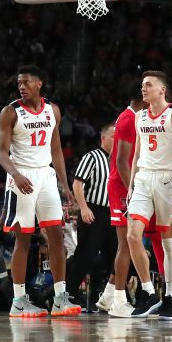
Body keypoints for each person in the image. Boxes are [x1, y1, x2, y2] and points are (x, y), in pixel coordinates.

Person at [0, 65, 81, 318]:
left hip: (46, 176)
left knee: (56, 235)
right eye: (19, 83)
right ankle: (19, 300)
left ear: (39, 83)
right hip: (21, 175)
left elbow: (56, 151)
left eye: (26, 82)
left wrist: (65, 186)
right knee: (23, 238)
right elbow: (2, 152)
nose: (21, 86)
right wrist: (16, 174)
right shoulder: (10, 112)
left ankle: (59, 298)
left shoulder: (53, 110)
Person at [126, 70, 172, 321]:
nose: (143, 89)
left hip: (168, 178)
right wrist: (132, 183)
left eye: (149, 85)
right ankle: (149, 291)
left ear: (162, 90)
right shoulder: (140, 116)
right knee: (133, 235)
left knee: (168, 241)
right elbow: (137, 153)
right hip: (144, 178)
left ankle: (171, 298)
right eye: (143, 85)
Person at [104, 82, 146, 318]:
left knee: (130, 243)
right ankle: (119, 299)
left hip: (120, 184)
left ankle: (109, 294)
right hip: (122, 186)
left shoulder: (126, 116)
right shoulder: (131, 119)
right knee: (126, 244)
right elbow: (120, 161)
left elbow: (115, 155)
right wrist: (133, 189)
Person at [66, 123, 117, 312]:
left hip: (114, 213)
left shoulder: (119, 160)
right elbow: (77, 184)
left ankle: (115, 297)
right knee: (85, 257)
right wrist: (84, 208)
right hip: (93, 211)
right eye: (114, 135)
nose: (117, 139)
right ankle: (69, 295)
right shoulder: (92, 157)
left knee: (116, 258)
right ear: (104, 138)